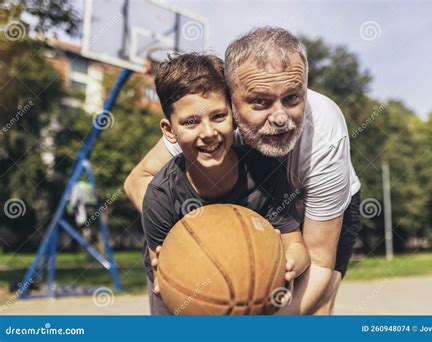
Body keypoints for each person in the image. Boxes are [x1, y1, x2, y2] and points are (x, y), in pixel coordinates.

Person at [125, 26, 361, 315]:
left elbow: (319, 262)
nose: (279, 118)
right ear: (232, 100)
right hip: (245, 209)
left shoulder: (325, 133)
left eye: (291, 98)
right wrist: (193, 239)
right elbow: (139, 180)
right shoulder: (206, 121)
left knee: (317, 310)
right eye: (260, 101)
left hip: (319, 212)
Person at [141, 53, 310, 315]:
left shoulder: (265, 171)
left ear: (233, 116)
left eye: (219, 116)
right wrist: (169, 280)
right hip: (190, 296)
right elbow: (163, 273)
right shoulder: (161, 196)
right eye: (190, 122)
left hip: (256, 290)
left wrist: (283, 264)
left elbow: (296, 246)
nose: (208, 133)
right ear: (169, 130)